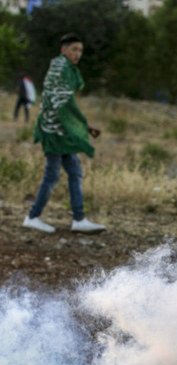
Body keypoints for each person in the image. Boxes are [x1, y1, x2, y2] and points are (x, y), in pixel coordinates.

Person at [22, 33, 105, 234]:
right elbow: (63, 103)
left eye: (80, 51)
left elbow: (64, 103)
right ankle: (32, 217)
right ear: (63, 50)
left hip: (62, 132)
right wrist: (84, 125)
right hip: (54, 130)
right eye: (74, 49)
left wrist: (84, 126)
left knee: (75, 172)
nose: (78, 54)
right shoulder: (60, 69)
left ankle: (79, 219)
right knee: (51, 175)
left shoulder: (65, 68)